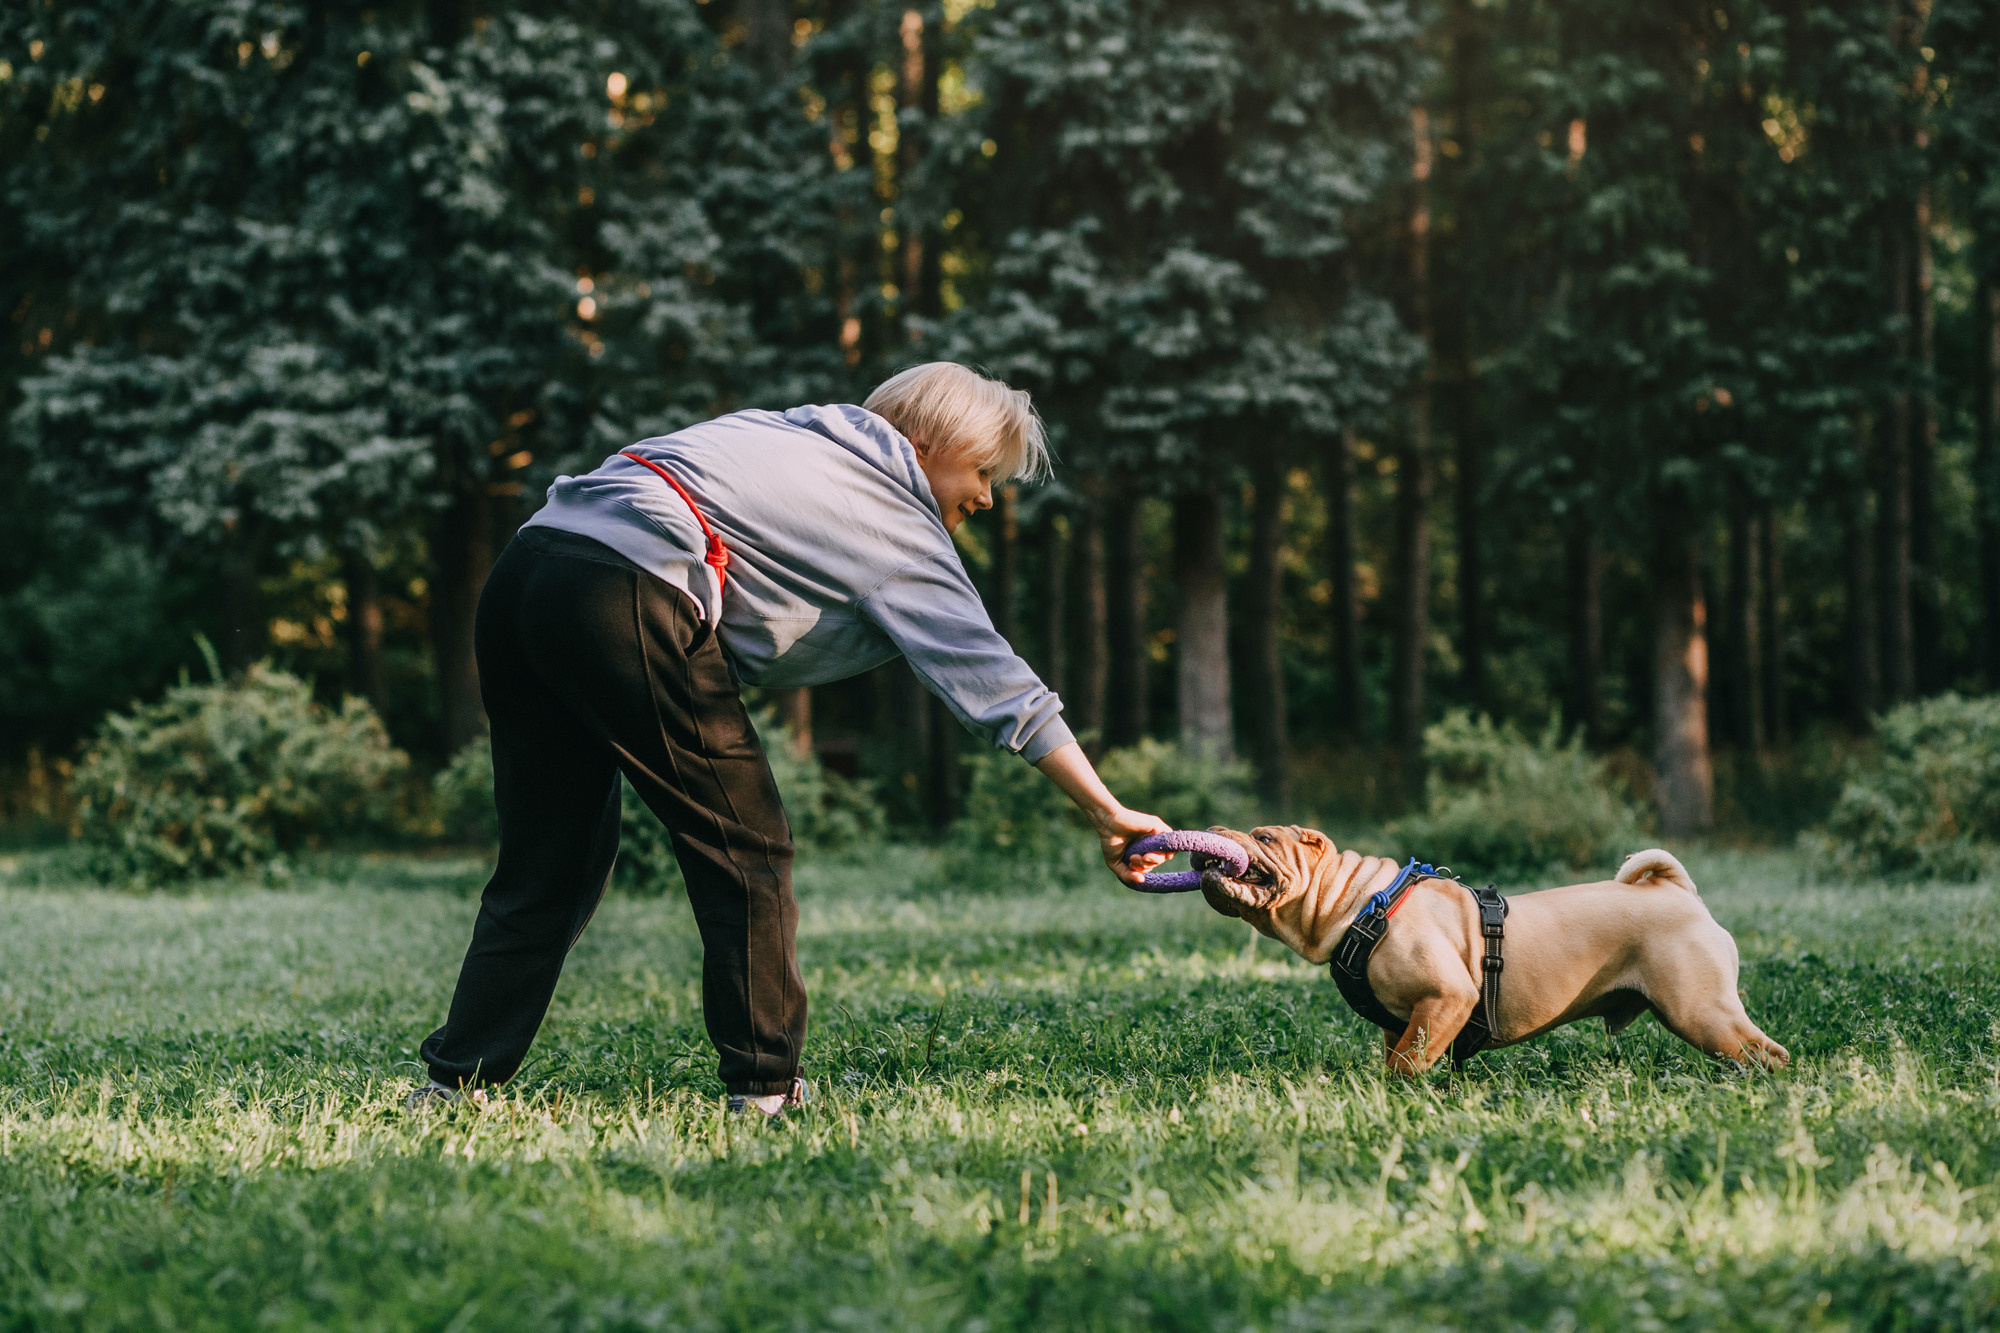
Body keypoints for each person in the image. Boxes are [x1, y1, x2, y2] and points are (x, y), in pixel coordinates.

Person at [411, 363, 1172, 1115]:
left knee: (549, 861)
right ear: (925, 442)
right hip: (630, 583)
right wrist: (1107, 810)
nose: (985, 497)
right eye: (981, 471)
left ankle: (454, 1082)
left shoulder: (785, 432)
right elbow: (998, 682)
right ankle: (765, 1089)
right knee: (746, 848)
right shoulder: (891, 516)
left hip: (527, 572)